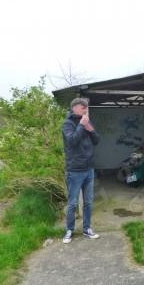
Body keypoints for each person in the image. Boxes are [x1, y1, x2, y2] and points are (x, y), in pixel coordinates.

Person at [62, 97, 100, 244]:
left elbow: (97, 141)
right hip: (75, 170)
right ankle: (69, 230)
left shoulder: (87, 122)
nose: (86, 110)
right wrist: (81, 126)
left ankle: (87, 229)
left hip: (89, 169)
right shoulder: (67, 124)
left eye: (86, 107)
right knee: (72, 203)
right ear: (75, 108)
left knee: (89, 202)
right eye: (83, 107)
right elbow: (71, 141)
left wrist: (91, 130)